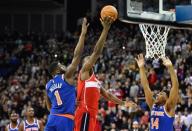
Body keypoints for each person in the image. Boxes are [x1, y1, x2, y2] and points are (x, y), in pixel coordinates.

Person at [74, 17, 136, 131]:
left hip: (92, 114)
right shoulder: (84, 72)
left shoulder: (95, 81)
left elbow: (108, 95)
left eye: (90, 60)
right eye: (87, 60)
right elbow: (97, 52)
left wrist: (123, 103)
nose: (90, 61)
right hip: (85, 112)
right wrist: (105, 30)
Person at [44, 18, 89, 131]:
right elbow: (77, 56)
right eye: (61, 65)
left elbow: (48, 106)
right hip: (65, 119)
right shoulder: (66, 76)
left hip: (52, 118)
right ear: (57, 70)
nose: (64, 65)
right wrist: (83, 34)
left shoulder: (48, 85)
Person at [135, 54, 179, 131]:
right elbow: (146, 87)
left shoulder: (169, 107)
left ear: (167, 98)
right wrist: (141, 68)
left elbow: (175, 86)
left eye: (161, 94)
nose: (158, 94)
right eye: (158, 94)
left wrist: (170, 67)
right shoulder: (153, 105)